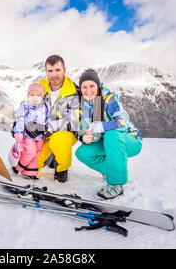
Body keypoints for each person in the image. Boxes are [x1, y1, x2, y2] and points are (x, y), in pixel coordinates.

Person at [75, 69, 143, 199]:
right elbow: (86, 129)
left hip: (129, 140)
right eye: (84, 87)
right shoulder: (85, 105)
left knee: (112, 135)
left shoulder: (109, 99)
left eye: (91, 86)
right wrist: (84, 137)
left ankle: (116, 184)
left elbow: (122, 123)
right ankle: (110, 170)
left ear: (98, 85)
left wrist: (95, 127)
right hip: (107, 141)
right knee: (82, 152)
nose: (88, 90)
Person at [35, 55, 81, 183]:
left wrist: (46, 127)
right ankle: (49, 157)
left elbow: (73, 122)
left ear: (64, 71)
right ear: (46, 72)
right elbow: (31, 108)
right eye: (50, 71)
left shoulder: (73, 91)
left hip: (65, 132)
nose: (54, 74)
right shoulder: (41, 86)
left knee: (59, 142)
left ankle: (61, 169)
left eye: (57, 70)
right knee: (29, 166)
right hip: (44, 133)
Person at [12, 83, 48, 180]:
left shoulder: (45, 107)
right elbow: (20, 120)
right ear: (28, 96)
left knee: (36, 155)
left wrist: (46, 129)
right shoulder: (25, 106)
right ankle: (18, 167)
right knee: (30, 152)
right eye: (32, 95)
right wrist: (18, 132)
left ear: (42, 96)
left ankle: (29, 173)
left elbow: (48, 121)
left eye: (38, 95)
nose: (35, 98)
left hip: (40, 137)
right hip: (27, 136)